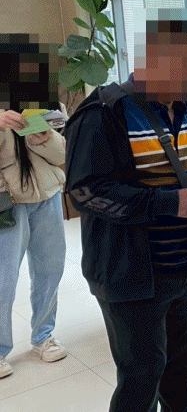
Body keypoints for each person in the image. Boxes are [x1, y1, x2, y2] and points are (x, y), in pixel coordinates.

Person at [63, 9, 187, 412]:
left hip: (186, 268)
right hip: (130, 275)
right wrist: (167, 203)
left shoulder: (185, 111)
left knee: (184, 369)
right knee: (142, 375)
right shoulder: (104, 112)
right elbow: (84, 191)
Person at [0, 34, 69, 379]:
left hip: (48, 197)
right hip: (8, 203)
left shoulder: (49, 105)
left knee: (50, 270)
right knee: (3, 280)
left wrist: (44, 137)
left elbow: (61, 156)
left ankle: (43, 336)